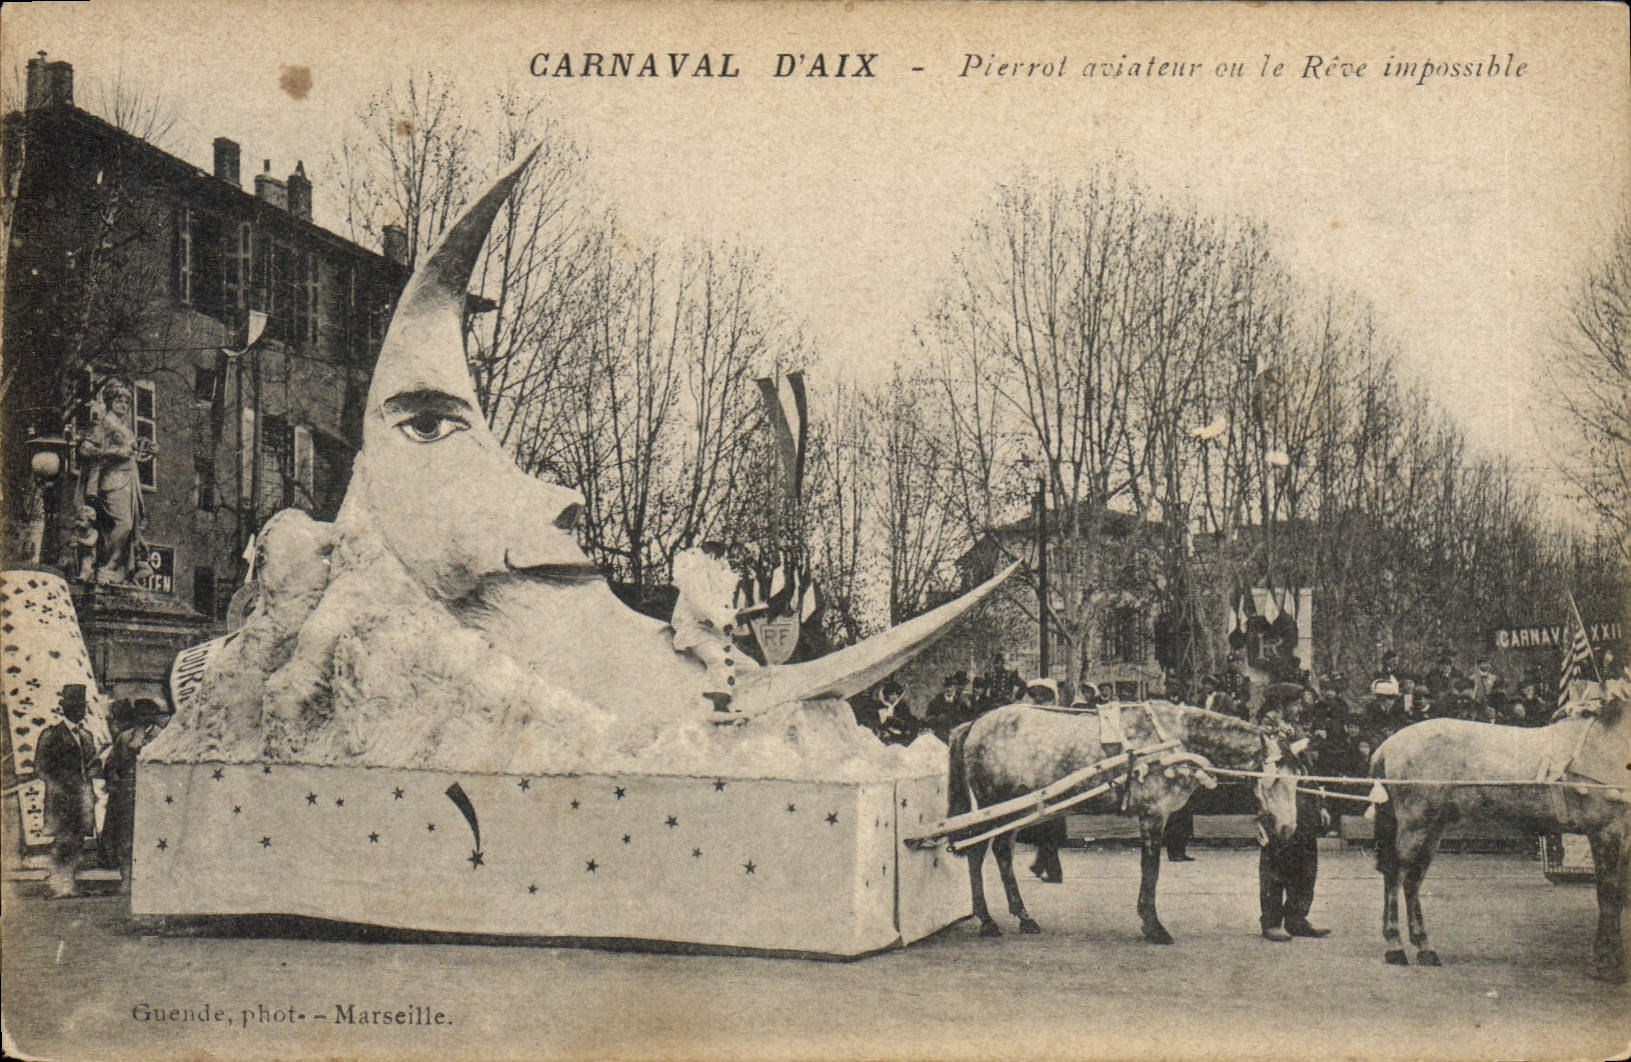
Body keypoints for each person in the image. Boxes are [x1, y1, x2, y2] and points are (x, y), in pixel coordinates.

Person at [77, 379, 150, 584]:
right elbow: (85, 448)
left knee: (130, 526)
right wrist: (115, 452)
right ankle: (109, 566)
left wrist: (145, 451)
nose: (124, 405)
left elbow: (133, 454)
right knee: (122, 525)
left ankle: (120, 569)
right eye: (119, 400)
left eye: (127, 401)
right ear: (110, 402)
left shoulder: (127, 430)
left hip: (130, 480)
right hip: (112, 480)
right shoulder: (103, 424)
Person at [1258, 751, 1332, 942]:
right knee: (1275, 873)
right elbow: (1258, 788)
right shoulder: (1267, 746)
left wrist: (1321, 805)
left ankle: (1296, 919)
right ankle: (1272, 923)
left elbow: (1313, 779)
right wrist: (1260, 820)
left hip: (1305, 819)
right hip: (1278, 820)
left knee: (1306, 872)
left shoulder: (1301, 749)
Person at [36, 684, 101, 898]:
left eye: (81, 707)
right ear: (64, 708)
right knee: (63, 839)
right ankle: (58, 884)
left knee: (77, 839)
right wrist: (55, 785)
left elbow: (94, 764)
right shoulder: (51, 735)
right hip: (60, 796)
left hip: (81, 796)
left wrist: (93, 770)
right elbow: (40, 767)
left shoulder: (87, 736)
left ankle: (70, 883)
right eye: (73, 706)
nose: (78, 711)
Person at [100, 698, 169, 891]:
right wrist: (114, 781)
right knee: (126, 839)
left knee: (153, 836)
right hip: (127, 795)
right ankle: (127, 880)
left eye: (148, 713)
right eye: (140, 714)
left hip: (153, 795)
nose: (143, 717)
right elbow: (112, 764)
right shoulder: (124, 737)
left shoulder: (163, 737)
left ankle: (151, 878)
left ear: (154, 716)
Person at [671, 542, 748, 713]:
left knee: (750, 667)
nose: (724, 564)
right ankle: (718, 707)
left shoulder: (719, 583)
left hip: (717, 635)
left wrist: (740, 616)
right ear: (712, 557)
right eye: (722, 558)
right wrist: (734, 616)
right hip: (695, 631)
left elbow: (723, 615)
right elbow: (702, 610)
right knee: (719, 660)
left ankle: (748, 702)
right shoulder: (695, 577)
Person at [1018, 677, 1067, 883]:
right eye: (1036, 696)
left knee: (1049, 824)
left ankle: (1053, 871)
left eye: (1043, 697)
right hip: (1036, 775)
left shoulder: (1059, 718)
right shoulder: (1030, 718)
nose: (1039, 700)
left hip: (1053, 777)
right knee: (1041, 824)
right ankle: (1042, 865)